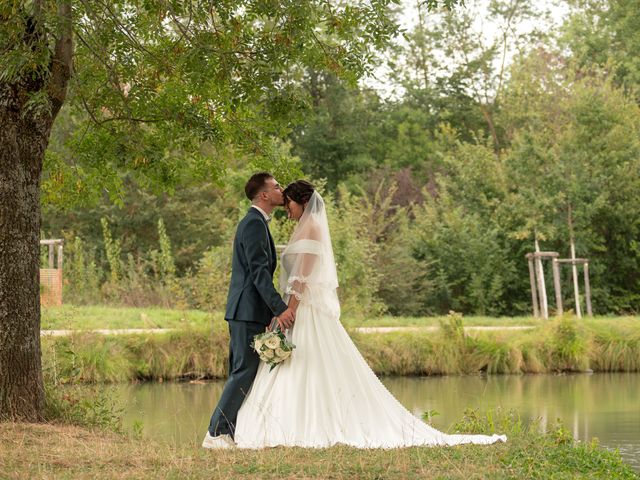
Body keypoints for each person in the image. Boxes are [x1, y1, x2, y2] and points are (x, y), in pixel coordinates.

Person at [231, 180, 506, 448]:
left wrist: (288, 309)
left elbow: (302, 277)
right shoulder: (300, 227)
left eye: (289, 202)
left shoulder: (312, 228)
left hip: (303, 309)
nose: (286, 208)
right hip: (295, 310)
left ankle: (312, 424)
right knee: (297, 366)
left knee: (310, 365)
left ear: (303, 202)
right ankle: (281, 422)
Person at [203, 172, 296, 449]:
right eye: (277, 187)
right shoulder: (254, 224)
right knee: (243, 371)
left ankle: (227, 432)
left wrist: (268, 313)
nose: (282, 190)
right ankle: (216, 433)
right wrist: (279, 309)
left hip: (249, 311)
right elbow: (258, 274)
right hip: (245, 310)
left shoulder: (257, 223)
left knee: (242, 370)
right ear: (264, 195)